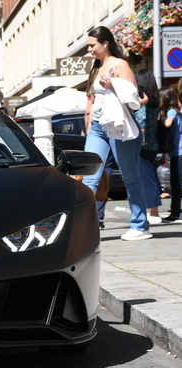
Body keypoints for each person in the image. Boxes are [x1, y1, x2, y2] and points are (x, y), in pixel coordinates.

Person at [82, 26, 151, 241]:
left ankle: (140, 225)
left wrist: (112, 85)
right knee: (88, 178)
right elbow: (92, 101)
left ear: (105, 44)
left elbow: (135, 99)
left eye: (92, 45)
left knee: (130, 177)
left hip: (119, 127)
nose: (90, 49)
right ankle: (85, 227)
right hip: (97, 128)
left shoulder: (120, 65)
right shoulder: (96, 66)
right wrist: (89, 125)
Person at [134, 69, 162, 225]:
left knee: (147, 178)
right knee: (150, 176)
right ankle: (153, 210)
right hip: (153, 143)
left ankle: (154, 212)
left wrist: (141, 139)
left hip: (144, 144)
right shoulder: (154, 101)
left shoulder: (143, 101)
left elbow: (142, 120)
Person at [161, 86, 182, 221]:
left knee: (177, 183)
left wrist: (158, 120)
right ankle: (175, 211)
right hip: (175, 153)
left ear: (167, 97)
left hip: (179, 152)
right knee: (176, 183)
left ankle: (175, 212)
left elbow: (167, 124)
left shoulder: (172, 111)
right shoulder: (175, 111)